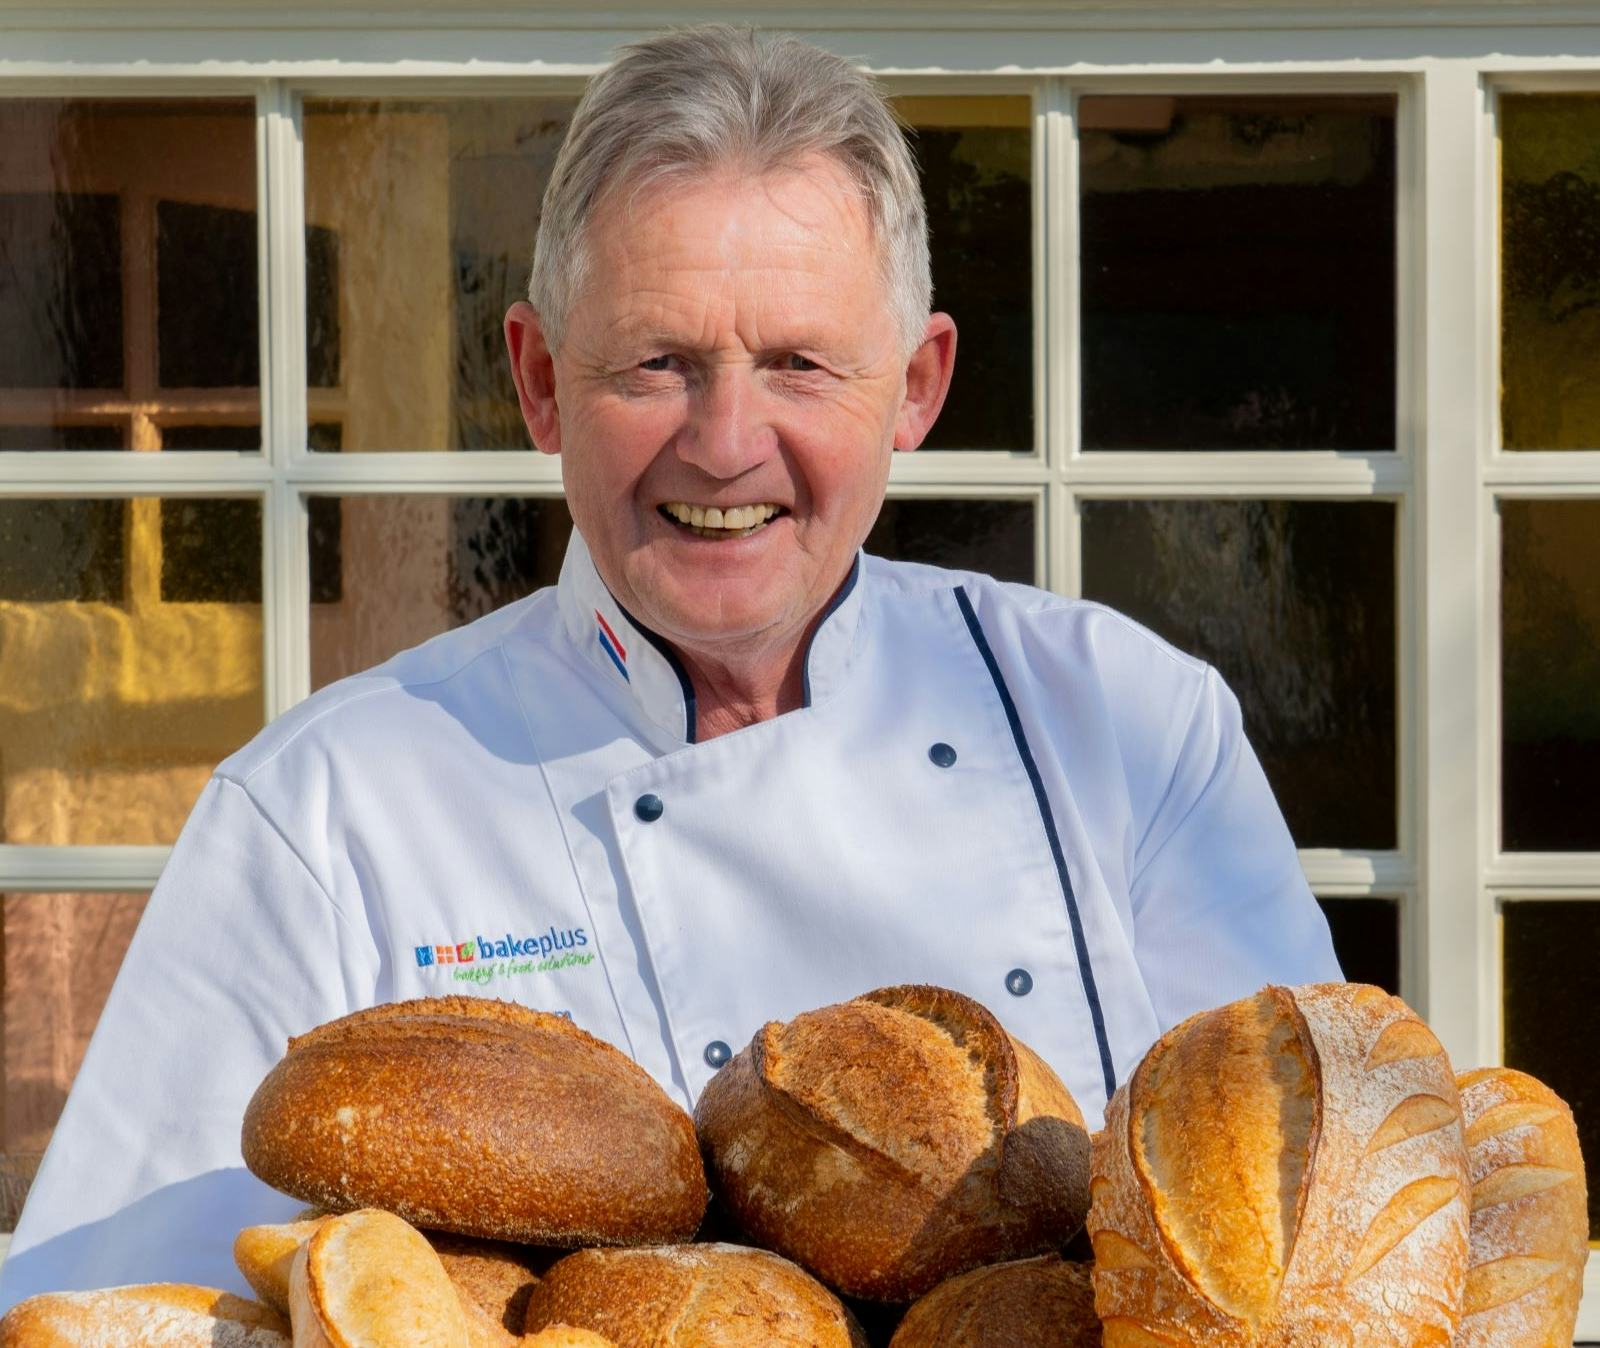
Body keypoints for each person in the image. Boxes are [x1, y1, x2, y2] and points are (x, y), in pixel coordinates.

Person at [0, 25, 1339, 1310]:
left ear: (917, 388)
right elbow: (101, 1309)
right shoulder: (328, 812)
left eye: (800, 364)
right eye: (659, 363)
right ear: (538, 381)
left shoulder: (1122, 724)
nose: (726, 443)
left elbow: (1314, 1240)